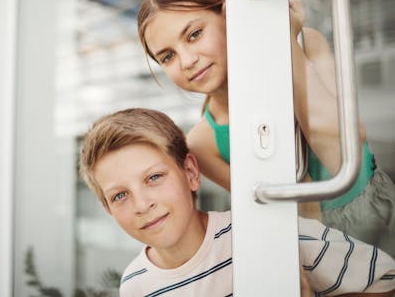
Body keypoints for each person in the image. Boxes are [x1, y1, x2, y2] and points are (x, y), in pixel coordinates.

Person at [136, 0, 395, 258]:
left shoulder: (305, 43)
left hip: (380, 218)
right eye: (168, 57)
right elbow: (289, 215)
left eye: (194, 34)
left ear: (228, 16)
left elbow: (339, 142)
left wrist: (285, 42)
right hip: (317, 251)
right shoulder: (202, 143)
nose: (187, 61)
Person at [79, 107, 395, 296]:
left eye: (153, 178)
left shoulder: (264, 235)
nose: (141, 204)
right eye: (120, 195)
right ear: (107, 209)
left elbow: (384, 281)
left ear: (190, 172)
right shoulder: (134, 285)